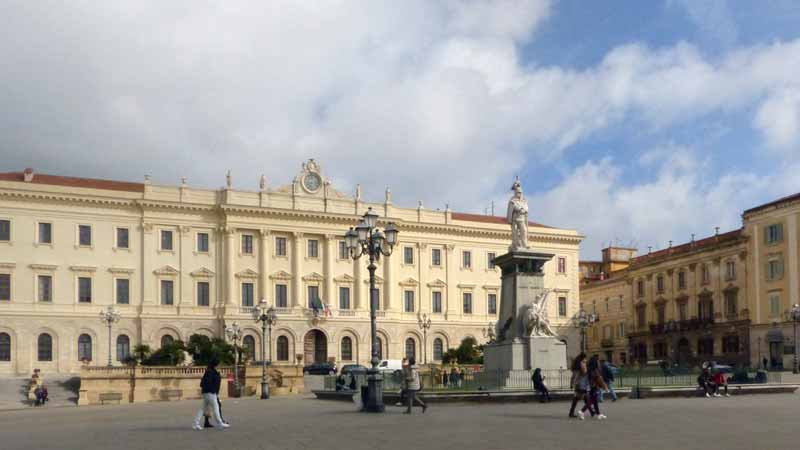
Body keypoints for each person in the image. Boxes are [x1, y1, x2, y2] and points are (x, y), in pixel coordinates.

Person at [193, 360, 228, 430]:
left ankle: (196, 424)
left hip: (207, 393)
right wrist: (214, 390)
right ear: (215, 365)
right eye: (218, 365)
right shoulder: (211, 372)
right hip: (210, 393)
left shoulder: (209, 371)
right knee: (216, 407)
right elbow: (211, 382)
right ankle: (220, 423)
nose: (219, 367)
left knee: (202, 409)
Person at [568, 353, 589, 420]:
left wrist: (571, 384)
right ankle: (575, 412)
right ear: (583, 358)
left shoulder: (576, 365)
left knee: (579, 398)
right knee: (584, 398)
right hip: (581, 384)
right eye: (585, 358)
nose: (586, 359)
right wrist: (585, 364)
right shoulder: (581, 364)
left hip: (577, 384)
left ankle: (571, 412)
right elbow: (585, 372)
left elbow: (573, 376)